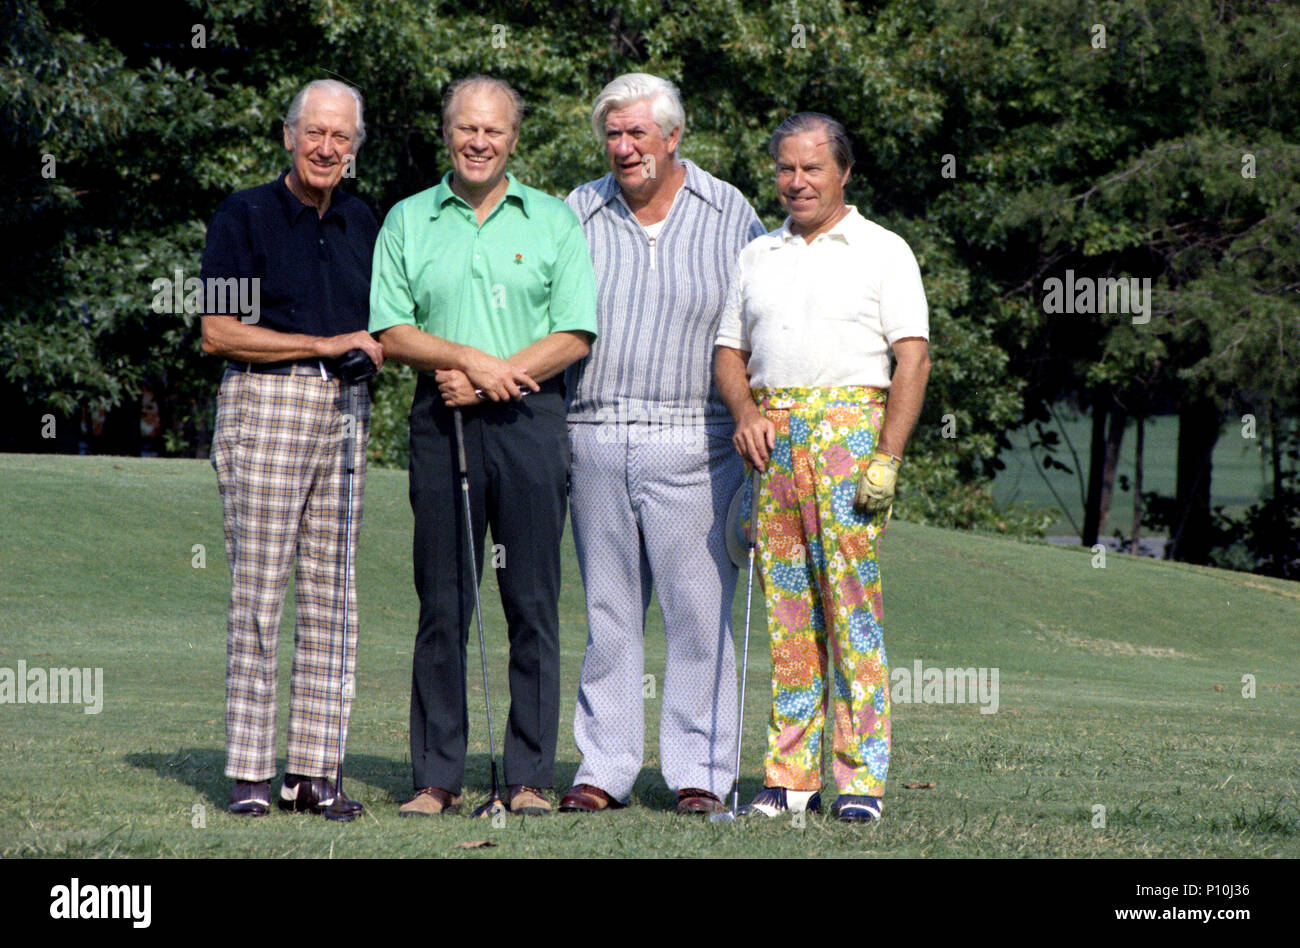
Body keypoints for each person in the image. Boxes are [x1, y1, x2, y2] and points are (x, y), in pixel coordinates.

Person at [370, 76, 597, 817]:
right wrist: (469, 361)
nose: (478, 141)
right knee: (444, 602)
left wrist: (495, 379)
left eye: (493, 131)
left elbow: (574, 334)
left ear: (513, 139)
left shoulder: (555, 221)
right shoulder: (408, 219)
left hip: (531, 425)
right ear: (447, 133)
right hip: (443, 423)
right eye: (466, 128)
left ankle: (529, 776)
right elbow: (393, 331)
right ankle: (436, 777)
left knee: (531, 601)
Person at [714, 112, 930, 822]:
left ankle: (860, 781)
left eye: (812, 168)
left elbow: (912, 358)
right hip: (774, 442)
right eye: (785, 168)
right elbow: (729, 352)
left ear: (843, 173)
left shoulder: (883, 249)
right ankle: (791, 778)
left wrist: (888, 459)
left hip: (850, 444)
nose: (796, 182)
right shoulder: (757, 253)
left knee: (851, 616)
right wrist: (745, 411)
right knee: (788, 615)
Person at [559, 74, 766, 816]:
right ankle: (604, 767)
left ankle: (702, 773)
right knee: (610, 615)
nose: (623, 148)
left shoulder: (730, 210)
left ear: (673, 137)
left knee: (699, 615)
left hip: (697, 437)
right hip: (593, 432)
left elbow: (754, 323)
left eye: (637, 134)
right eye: (612, 135)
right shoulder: (575, 211)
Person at [201, 79, 383, 818]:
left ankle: (314, 772)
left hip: (347, 407)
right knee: (260, 591)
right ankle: (249, 774)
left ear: (354, 148)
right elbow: (218, 332)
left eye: (342, 137)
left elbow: (383, 323)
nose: (327, 147)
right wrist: (322, 343)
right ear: (288, 136)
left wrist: (367, 351)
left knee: (334, 596)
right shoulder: (245, 213)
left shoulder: (364, 220)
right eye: (316, 133)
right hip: (266, 400)